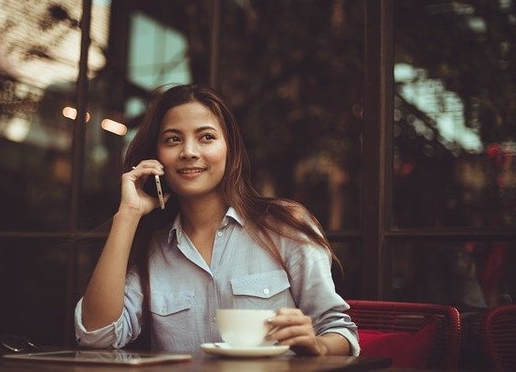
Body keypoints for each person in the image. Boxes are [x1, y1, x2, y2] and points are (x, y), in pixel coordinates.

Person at [74, 84, 359, 356]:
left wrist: (318, 345)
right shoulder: (152, 248)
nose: (188, 152)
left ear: (229, 149)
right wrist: (127, 215)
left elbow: (340, 331)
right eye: (173, 139)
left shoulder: (284, 226)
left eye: (206, 137)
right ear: (156, 157)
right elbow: (96, 336)